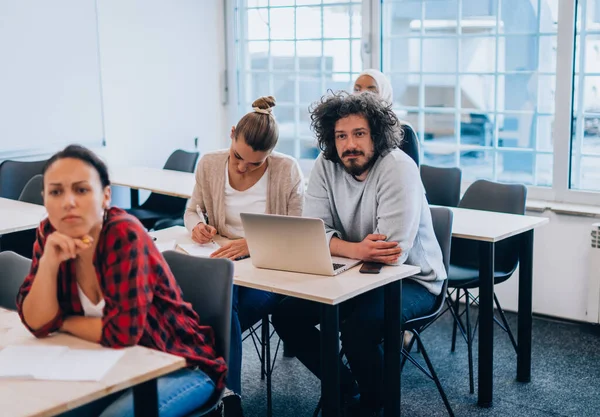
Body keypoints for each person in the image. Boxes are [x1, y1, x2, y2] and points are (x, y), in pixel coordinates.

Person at [16, 145, 227, 417]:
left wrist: (61, 321)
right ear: (44, 198)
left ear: (105, 196)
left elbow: (121, 333)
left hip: (177, 362)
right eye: (56, 192)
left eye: (81, 190)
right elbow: (36, 322)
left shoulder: (124, 234)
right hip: (110, 362)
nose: (68, 202)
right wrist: (48, 263)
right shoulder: (50, 232)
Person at [271, 92, 447, 417]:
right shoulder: (326, 164)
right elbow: (312, 232)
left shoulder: (398, 168)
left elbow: (392, 253)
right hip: (353, 273)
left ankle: (373, 402)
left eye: (358, 134)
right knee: (285, 315)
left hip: (414, 280)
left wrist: (337, 244)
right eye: (341, 136)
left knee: (357, 328)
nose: (349, 144)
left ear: (376, 134)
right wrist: (356, 248)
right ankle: (343, 387)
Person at [183, 95, 304, 416]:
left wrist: (251, 244)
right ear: (232, 133)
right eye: (238, 157)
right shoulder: (210, 163)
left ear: (271, 154)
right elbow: (192, 210)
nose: (242, 166)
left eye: (255, 163)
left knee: (217, 308)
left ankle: (223, 394)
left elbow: (299, 231)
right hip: (223, 261)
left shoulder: (286, 170)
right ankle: (227, 396)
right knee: (221, 300)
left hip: (268, 270)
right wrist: (197, 227)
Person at [353, 69, 420, 166]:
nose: (362, 95)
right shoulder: (346, 130)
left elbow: (412, 175)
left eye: (371, 91)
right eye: (357, 89)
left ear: (384, 94)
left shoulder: (403, 131)